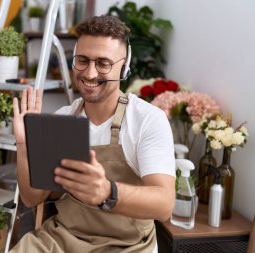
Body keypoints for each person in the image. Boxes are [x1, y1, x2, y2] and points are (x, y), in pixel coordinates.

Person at [10, 15, 175, 253]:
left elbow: (164, 204)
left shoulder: (148, 120)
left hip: (126, 246)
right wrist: (25, 145)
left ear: (124, 67)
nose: (89, 73)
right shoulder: (62, 119)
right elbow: (31, 198)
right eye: (82, 60)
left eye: (103, 63)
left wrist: (108, 192)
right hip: (62, 239)